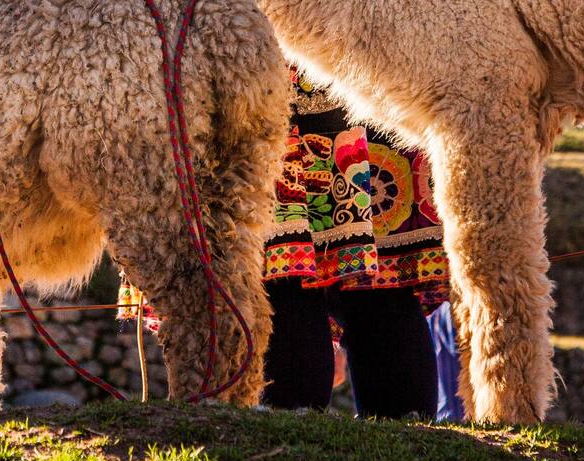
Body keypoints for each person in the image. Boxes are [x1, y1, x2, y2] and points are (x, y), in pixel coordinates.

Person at [120, 70, 455, 419]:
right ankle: (403, 448)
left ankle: (298, 437)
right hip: (367, 74)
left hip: (287, 76)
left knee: (283, 267)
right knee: (375, 276)